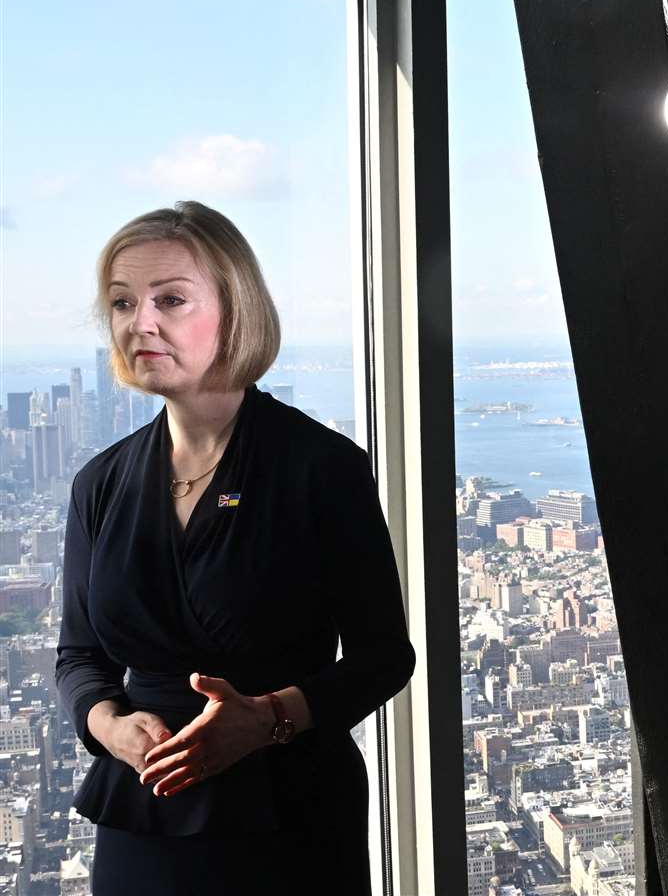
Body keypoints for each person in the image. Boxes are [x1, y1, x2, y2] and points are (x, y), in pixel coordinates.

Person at [56, 202, 416, 895]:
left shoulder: (319, 467)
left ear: (236, 309)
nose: (141, 323)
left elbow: (383, 658)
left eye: (171, 299)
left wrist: (266, 720)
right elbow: (79, 656)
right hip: (143, 806)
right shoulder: (98, 484)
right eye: (123, 302)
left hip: (289, 808)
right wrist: (110, 726)